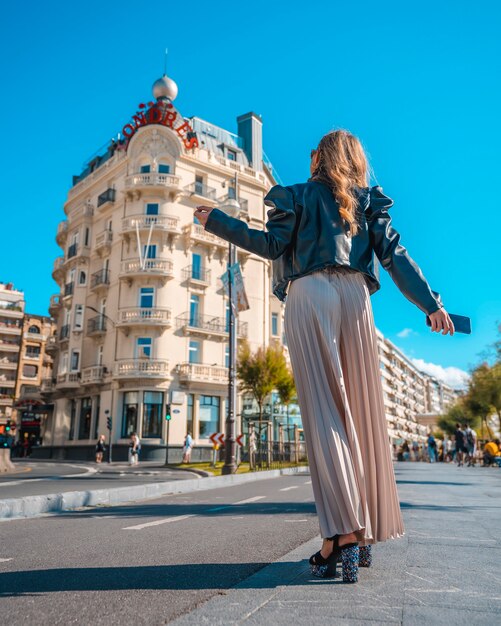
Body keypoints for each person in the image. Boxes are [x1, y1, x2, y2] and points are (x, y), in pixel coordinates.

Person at [194, 129, 454, 584]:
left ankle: (346, 533)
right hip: (356, 299)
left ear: (319, 157)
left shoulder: (298, 195)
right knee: (362, 417)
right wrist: (431, 304)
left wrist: (215, 219)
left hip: (310, 293)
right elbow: (396, 257)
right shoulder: (367, 202)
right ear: (356, 160)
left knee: (324, 417)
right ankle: (351, 537)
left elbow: (269, 245)